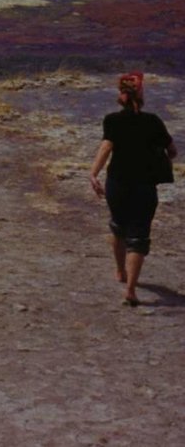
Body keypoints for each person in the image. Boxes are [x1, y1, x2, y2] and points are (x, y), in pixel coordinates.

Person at [89, 72, 176, 306]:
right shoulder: (154, 121)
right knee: (138, 236)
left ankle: (120, 272)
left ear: (121, 95)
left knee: (119, 226)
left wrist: (93, 173)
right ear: (141, 94)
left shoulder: (112, 120)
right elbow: (173, 150)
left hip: (117, 183)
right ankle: (130, 290)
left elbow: (106, 147)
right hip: (144, 186)